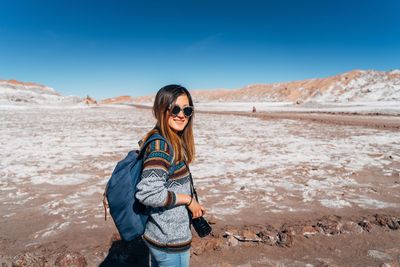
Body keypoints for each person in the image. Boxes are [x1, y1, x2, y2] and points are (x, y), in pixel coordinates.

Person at [135, 84, 206, 267]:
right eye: (175, 109)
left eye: (187, 110)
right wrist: (188, 200)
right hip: (169, 240)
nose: (181, 115)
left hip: (161, 235)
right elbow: (148, 193)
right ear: (161, 110)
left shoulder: (171, 141)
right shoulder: (162, 147)